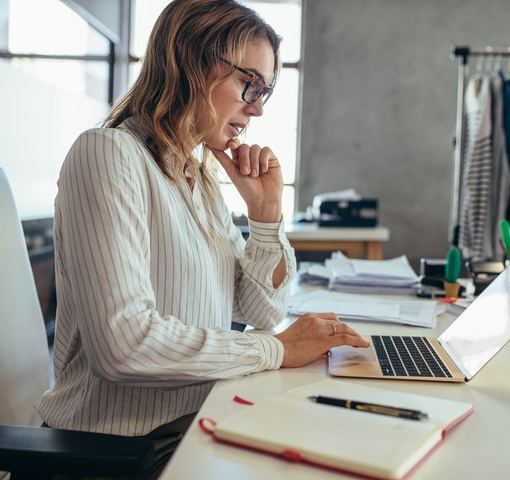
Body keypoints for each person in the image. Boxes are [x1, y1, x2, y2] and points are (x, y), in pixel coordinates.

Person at [37, 0, 369, 477]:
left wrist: (266, 215)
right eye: (249, 83)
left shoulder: (199, 175)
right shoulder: (108, 154)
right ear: (191, 63)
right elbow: (124, 345)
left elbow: (260, 310)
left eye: (266, 91)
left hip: (197, 423)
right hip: (119, 452)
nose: (256, 107)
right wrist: (275, 349)